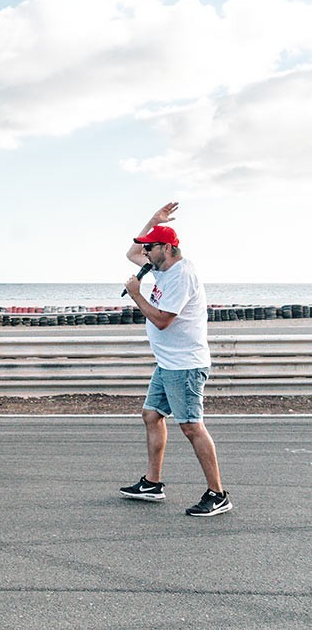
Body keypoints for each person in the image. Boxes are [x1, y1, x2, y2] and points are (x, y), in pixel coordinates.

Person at [119, 202, 230, 517]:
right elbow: (131, 253)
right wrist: (153, 220)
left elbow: (163, 320)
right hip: (168, 363)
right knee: (152, 415)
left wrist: (137, 293)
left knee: (192, 427)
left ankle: (218, 494)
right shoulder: (161, 265)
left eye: (151, 247)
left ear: (167, 248)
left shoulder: (181, 275)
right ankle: (152, 484)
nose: (146, 252)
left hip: (185, 366)